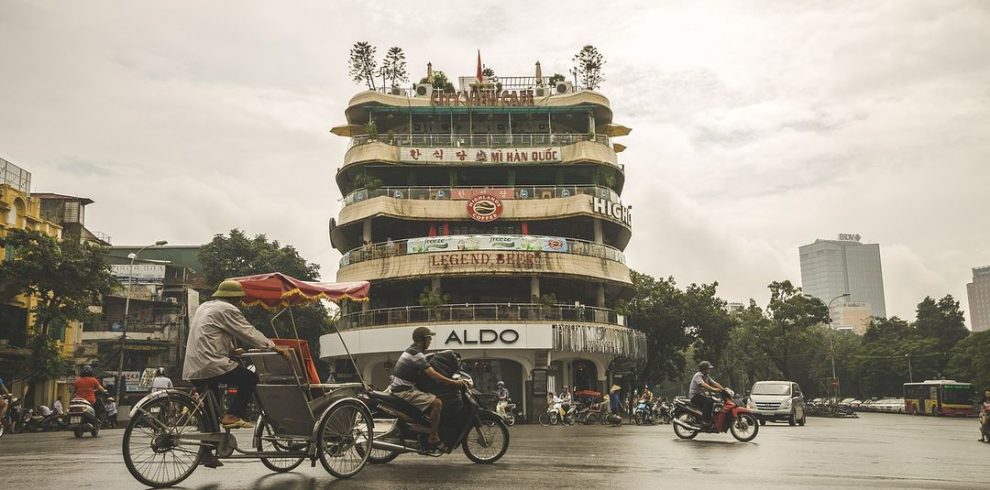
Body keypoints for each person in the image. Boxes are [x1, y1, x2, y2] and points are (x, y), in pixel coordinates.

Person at [183, 279, 291, 432]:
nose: (240, 303)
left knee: (210, 413)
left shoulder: (205, 306)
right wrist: (272, 346)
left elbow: (213, 334)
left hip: (194, 366)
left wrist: (232, 351)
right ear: (233, 298)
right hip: (210, 363)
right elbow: (247, 331)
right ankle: (233, 415)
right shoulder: (227, 309)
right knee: (250, 378)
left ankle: (208, 451)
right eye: (239, 299)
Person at [387, 326, 468, 447]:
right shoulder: (415, 354)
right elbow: (433, 374)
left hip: (403, 387)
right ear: (422, 340)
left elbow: (426, 362)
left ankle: (426, 427)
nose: (430, 341)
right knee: (437, 403)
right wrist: (454, 383)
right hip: (405, 390)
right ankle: (433, 436)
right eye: (429, 338)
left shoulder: (413, 351)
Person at [689, 361, 724, 427]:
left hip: (700, 395)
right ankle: (704, 421)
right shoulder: (698, 375)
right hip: (694, 396)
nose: (710, 370)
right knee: (708, 402)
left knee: (714, 401)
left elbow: (715, 383)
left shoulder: (706, 376)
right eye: (708, 368)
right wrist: (714, 389)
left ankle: (711, 418)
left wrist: (724, 389)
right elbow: (703, 384)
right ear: (704, 369)